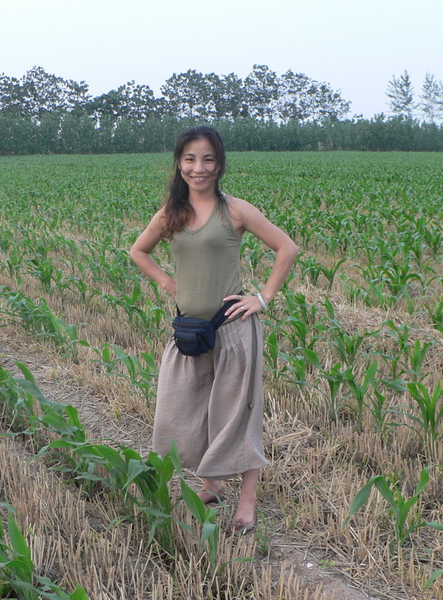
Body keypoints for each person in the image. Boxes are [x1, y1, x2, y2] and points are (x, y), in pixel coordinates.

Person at [129, 125, 299, 533]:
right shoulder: (172, 213)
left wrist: (262, 298)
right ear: (179, 163)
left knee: (236, 414)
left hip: (233, 331)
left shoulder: (235, 210)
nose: (198, 168)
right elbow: (138, 250)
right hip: (188, 332)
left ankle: (247, 500)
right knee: (184, 410)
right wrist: (168, 283)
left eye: (207, 159)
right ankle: (211, 481)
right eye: (190, 159)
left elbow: (287, 248)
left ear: (219, 163)